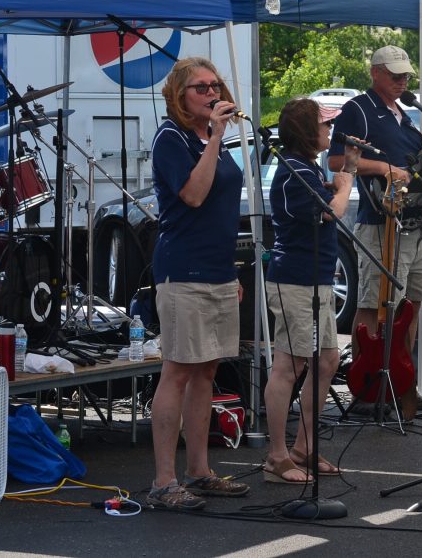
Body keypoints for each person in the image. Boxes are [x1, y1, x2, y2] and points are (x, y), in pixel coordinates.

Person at [147, 57, 249, 509]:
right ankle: (164, 481)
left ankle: (200, 470)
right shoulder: (172, 138)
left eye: (215, 86)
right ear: (179, 96)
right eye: (199, 88)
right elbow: (193, 195)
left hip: (217, 269)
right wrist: (215, 142)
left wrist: (231, 271)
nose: (210, 93)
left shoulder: (212, 140)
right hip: (183, 269)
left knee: (208, 369)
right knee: (179, 370)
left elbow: (223, 208)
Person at [328, 45, 422, 421]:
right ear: (375, 72)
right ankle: (367, 387)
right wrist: (384, 168)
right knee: (375, 305)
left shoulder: (406, 116)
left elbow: (416, 166)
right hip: (383, 224)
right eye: (394, 74)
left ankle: (401, 384)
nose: (402, 80)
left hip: (416, 224)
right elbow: (335, 161)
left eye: (406, 75)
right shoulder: (358, 109)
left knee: (414, 305)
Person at [263, 98, 360, 483]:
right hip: (294, 280)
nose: (330, 132)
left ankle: (304, 447)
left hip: (318, 279)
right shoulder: (292, 172)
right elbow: (330, 210)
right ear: (306, 131)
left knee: (326, 361)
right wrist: (346, 183)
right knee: (290, 365)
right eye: (324, 126)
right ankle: (276, 457)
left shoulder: (307, 167)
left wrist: (349, 164)